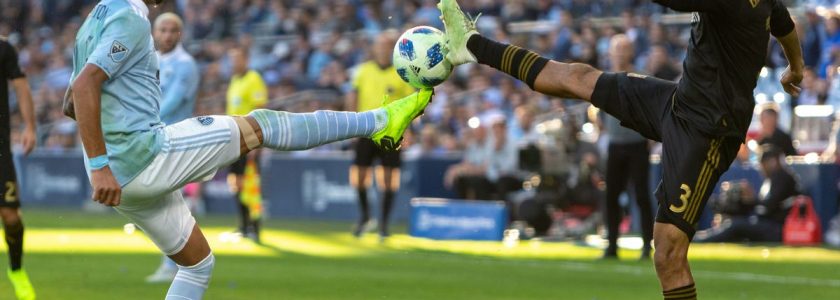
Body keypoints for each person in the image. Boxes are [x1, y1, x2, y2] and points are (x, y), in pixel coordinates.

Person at [65, 1, 432, 298]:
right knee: (262, 126)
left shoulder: (94, 20)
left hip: (125, 174)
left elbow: (70, 102)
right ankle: (379, 121)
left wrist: (107, 152)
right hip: (143, 156)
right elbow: (83, 88)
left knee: (197, 265)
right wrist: (101, 165)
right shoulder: (130, 18)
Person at [437, 0, 802, 298]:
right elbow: (783, 23)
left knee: (668, 251)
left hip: (710, 130)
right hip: (679, 102)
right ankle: (471, 45)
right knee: (577, 77)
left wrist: (795, 66)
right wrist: (796, 68)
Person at [145, 12, 201, 284]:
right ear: (155, 33)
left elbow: (174, 100)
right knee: (162, 204)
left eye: (172, 30)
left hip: (177, 141)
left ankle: (175, 264)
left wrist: (142, 120)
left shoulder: (186, 64)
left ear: (180, 34)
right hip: (155, 140)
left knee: (172, 205)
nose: (167, 35)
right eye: (162, 30)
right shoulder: (150, 60)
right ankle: (176, 262)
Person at [345, 31, 415, 240]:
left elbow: (410, 105)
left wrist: (408, 130)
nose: (383, 50)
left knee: (389, 177)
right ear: (374, 48)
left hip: (391, 131)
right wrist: (352, 124)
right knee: (359, 174)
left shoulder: (401, 73)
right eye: (380, 45)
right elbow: (353, 95)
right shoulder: (364, 70)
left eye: (386, 46)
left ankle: (384, 223)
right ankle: (365, 216)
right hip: (366, 128)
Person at [601, 35, 653, 261]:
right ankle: (612, 245)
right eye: (617, 49)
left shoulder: (641, 77)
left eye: (624, 49)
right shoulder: (605, 78)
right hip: (615, 144)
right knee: (611, 196)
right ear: (610, 52)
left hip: (637, 143)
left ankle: (647, 245)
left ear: (631, 52)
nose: (621, 53)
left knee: (641, 196)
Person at [695, 146, 798, 242]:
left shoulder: (782, 177)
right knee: (732, 223)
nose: (761, 169)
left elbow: (769, 206)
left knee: (735, 225)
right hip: (771, 225)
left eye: (762, 164)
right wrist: (747, 200)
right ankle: (703, 236)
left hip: (778, 228)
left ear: (772, 162)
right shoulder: (771, 180)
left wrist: (751, 199)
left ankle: (702, 239)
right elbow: (763, 207)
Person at [1, 37, 37, 300]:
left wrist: (30, 126)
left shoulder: (4, 48)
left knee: (11, 217)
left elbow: (21, 87)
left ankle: (16, 270)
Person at [226, 46, 267, 243]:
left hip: (249, 141)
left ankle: (255, 227)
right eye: (232, 59)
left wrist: (256, 143)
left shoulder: (254, 79)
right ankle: (243, 225)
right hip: (235, 140)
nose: (234, 63)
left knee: (251, 185)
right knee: (236, 183)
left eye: (238, 59)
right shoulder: (234, 80)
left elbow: (260, 111)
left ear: (246, 60)